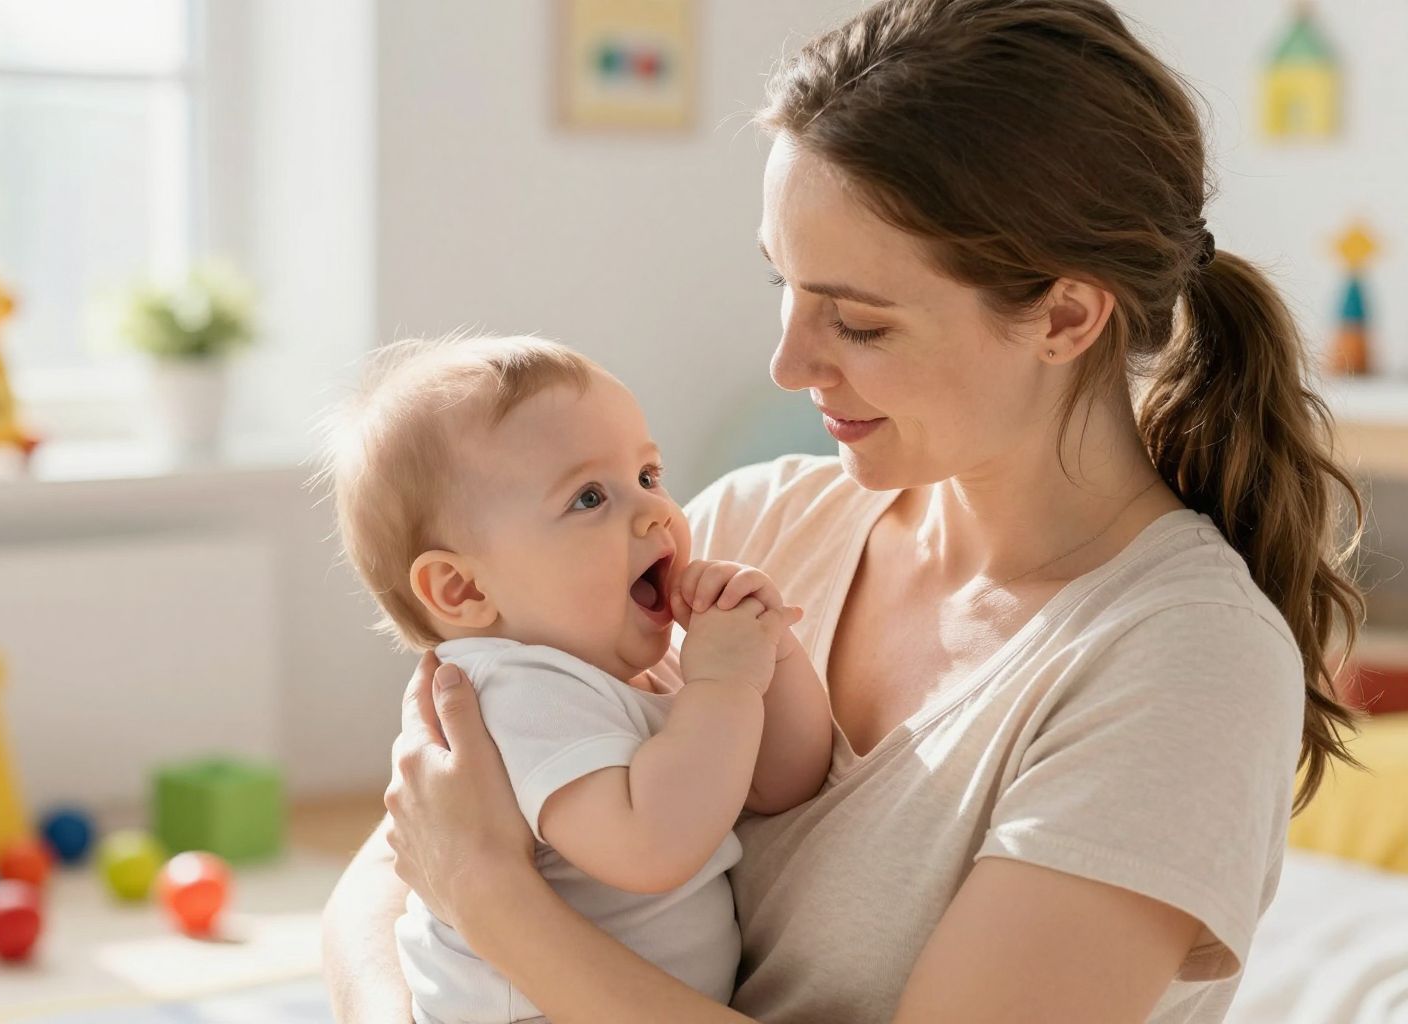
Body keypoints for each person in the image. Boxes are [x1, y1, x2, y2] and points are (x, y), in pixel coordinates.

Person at [323, 1, 1367, 1020]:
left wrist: (494, 904)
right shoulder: (748, 526)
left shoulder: (1182, 665)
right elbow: (399, 869)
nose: (788, 362)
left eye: (858, 322)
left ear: (1063, 314)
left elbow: (462, 870)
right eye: (782, 282)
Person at [322, 336, 832, 1023]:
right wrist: (725, 685)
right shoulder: (515, 692)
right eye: (590, 497)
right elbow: (651, 846)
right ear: (461, 588)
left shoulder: (628, 669)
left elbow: (788, 780)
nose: (655, 511)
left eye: (649, 476)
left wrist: (769, 655)